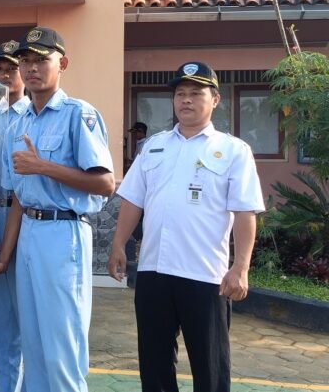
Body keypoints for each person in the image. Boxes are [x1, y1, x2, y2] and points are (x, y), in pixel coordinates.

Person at [108, 61, 264, 392]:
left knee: (209, 366)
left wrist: (241, 267)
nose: (186, 100)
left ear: (215, 100)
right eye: (180, 93)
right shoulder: (153, 146)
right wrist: (118, 244)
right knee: (154, 364)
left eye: (196, 93)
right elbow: (133, 199)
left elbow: (244, 212)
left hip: (205, 275)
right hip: (153, 271)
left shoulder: (233, 150)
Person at [0, 27, 115, 392]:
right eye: (26, 60)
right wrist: (4, 257)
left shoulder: (77, 114)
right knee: (34, 347)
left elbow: (105, 183)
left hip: (63, 232)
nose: (31, 68)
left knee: (61, 348)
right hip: (29, 235)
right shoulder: (20, 123)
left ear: (62, 63)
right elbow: (20, 197)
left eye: (41, 59)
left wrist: (44, 167)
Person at [0, 40, 30, 392]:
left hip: (27, 217)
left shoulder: (35, 114)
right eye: (0, 67)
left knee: (28, 310)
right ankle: (5, 386)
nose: (6, 73)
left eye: (12, 67)